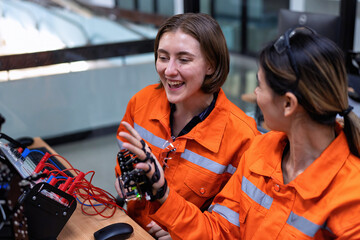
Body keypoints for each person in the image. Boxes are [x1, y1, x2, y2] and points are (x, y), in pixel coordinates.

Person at [118, 26, 360, 239]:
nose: (254, 94)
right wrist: (164, 193)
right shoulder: (260, 152)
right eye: (163, 57)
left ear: (288, 104)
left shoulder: (352, 197)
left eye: (260, 85)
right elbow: (219, 232)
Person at [114, 13, 259, 239]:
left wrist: (180, 230)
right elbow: (125, 159)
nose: (169, 70)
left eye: (184, 59)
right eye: (163, 57)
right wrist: (127, 184)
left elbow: (229, 228)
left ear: (211, 65)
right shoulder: (141, 102)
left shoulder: (245, 138)